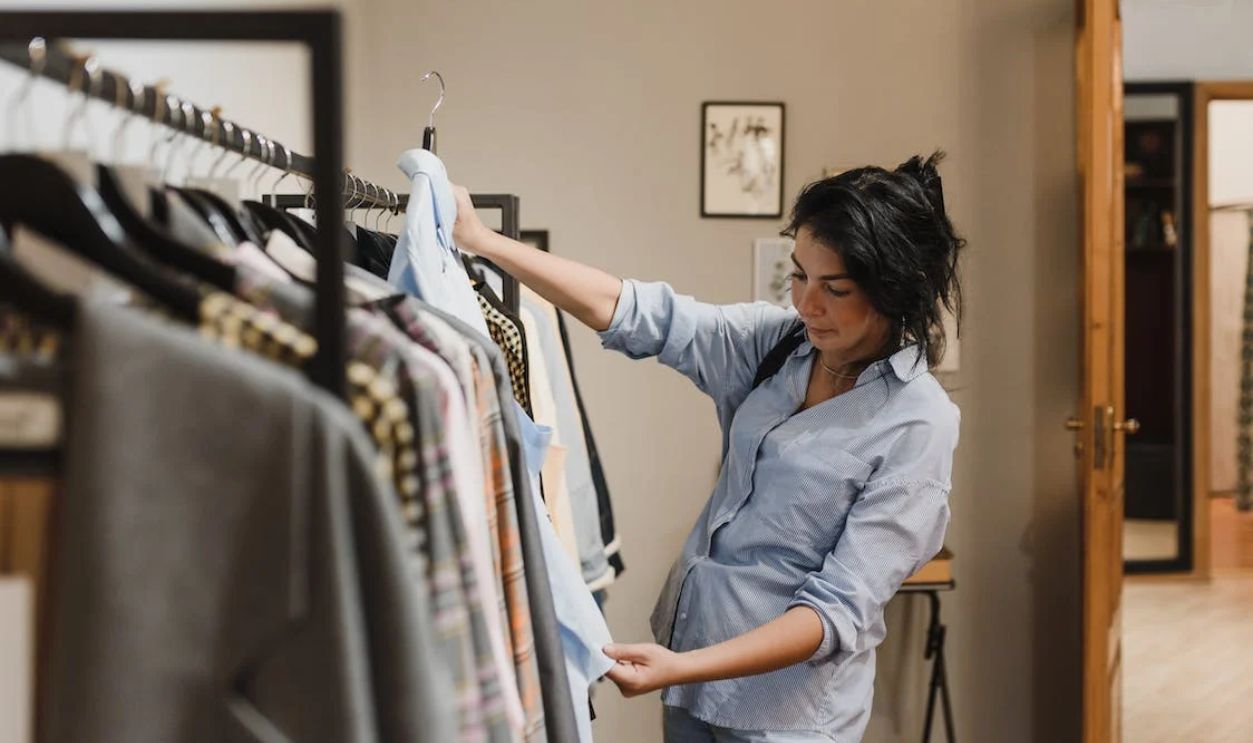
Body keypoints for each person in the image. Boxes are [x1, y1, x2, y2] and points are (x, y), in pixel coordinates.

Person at [450, 151, 964, 743]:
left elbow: (836, 613)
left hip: (784, 720)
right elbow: (641, 314)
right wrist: (483, 241)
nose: (806, 304)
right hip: (691, 687)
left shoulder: (918, 422)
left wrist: (685, 667)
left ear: (896, 291)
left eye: (836, 288)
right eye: (799, 275)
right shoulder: (781, 346)